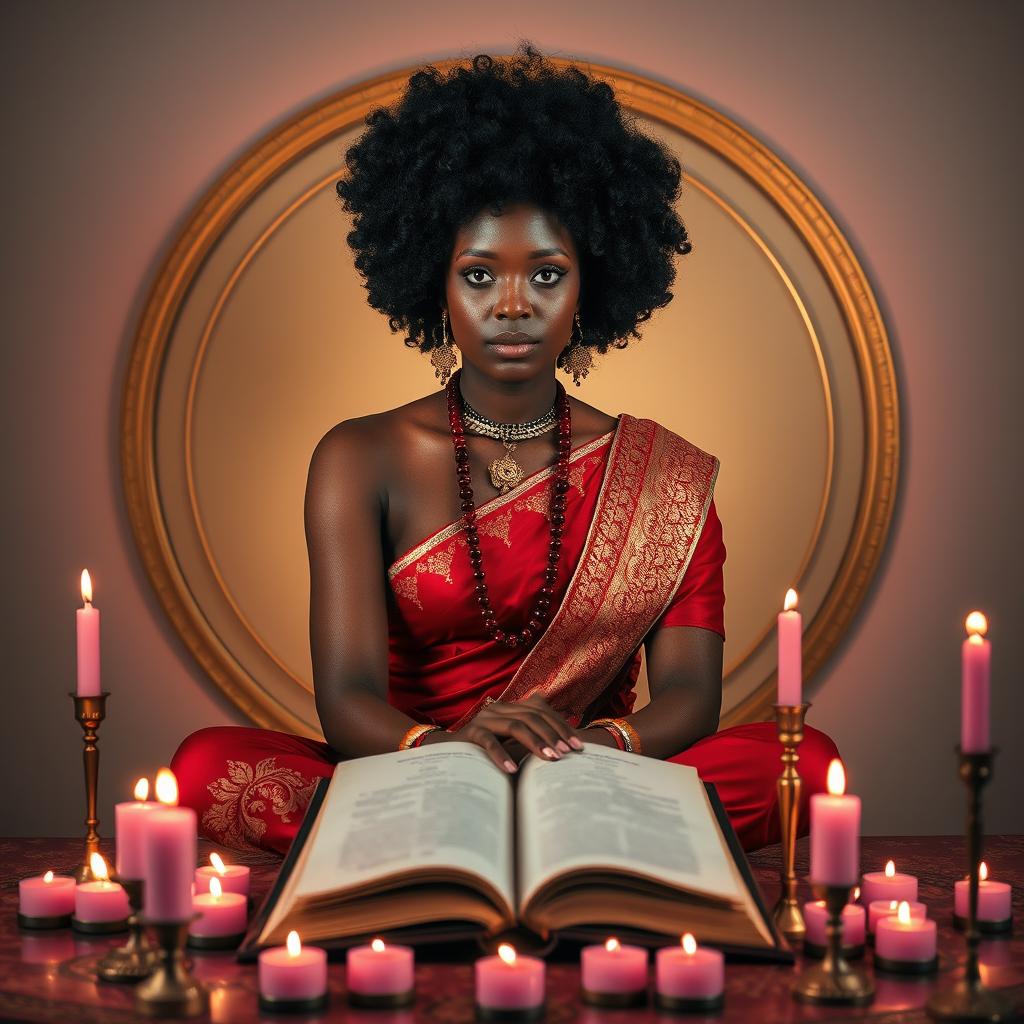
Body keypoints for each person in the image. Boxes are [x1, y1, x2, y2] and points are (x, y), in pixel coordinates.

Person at [171, 42, 838, 856]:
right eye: (480, 276)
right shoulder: (359, 456)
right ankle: (535, 834)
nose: (513, 305)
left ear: (591, 285)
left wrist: (583, 754)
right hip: (416, 768)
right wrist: (448, 751)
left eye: (547, 276)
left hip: (589, 774)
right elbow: (347, 702)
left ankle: (496, 835)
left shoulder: (665, 478)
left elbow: (691, 701)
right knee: (206, 764)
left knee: (805, 763)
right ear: (433, 283)